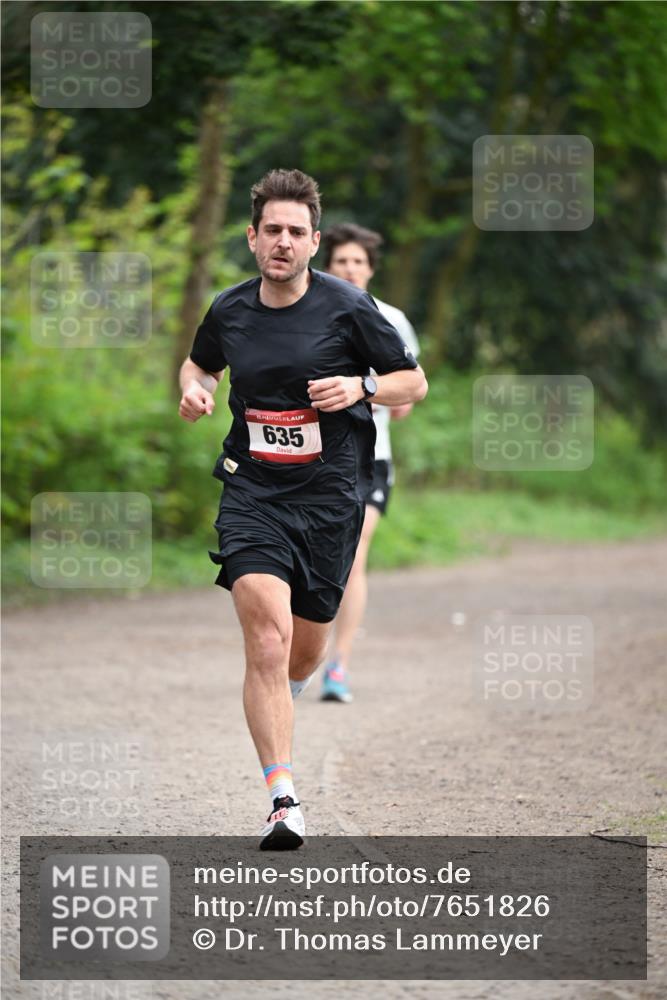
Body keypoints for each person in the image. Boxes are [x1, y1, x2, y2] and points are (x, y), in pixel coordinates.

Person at [178, 169, 427, 850]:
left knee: (301, 651)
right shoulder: (230, 309)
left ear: (314, 241)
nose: (282, 241)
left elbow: (413, 382)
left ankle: (283, 694)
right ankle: (282, 800)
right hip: (252, 491)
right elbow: (200, 364)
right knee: (266, 639)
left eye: (295, 231)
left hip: (329, 499)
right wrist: (196, 389)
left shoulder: (348, 307)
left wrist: (361, 386)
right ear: (252, 237)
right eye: (272, 230)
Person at [319, 223, 420, 704]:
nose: (350, 269)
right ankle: (300, 654)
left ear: (371, 269)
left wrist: (366, 390)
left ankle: (338, 664)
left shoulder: (392, 319)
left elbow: (407, 398)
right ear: (327, 266)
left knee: (354, 555)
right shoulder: (310, 313)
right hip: (315, 458)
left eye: (358, 262)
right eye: (342, 261)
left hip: (370, 461)